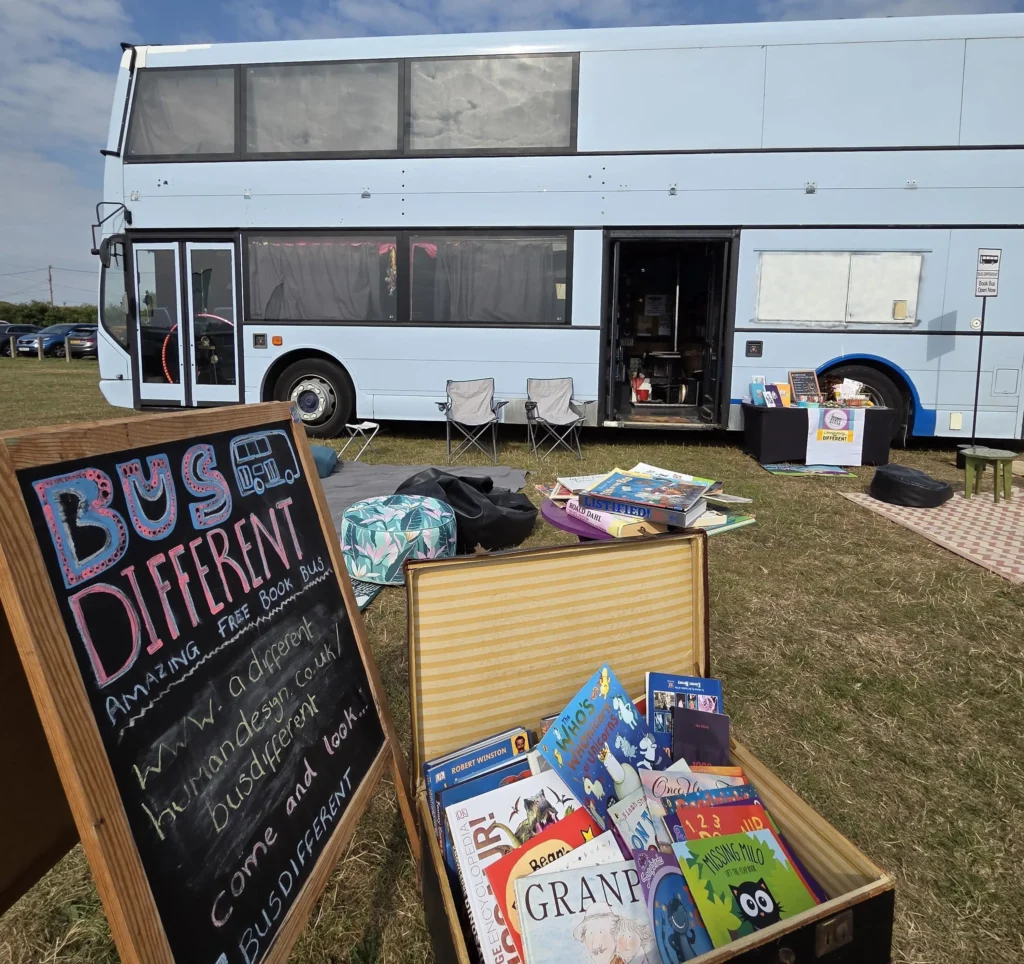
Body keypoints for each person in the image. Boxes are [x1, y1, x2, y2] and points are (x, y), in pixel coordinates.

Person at [572, 902, 657, 964]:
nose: (596, 945)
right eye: (591, 934)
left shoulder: (633, 955)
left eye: (601, 932)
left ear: (615, 933)